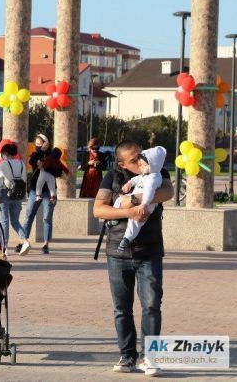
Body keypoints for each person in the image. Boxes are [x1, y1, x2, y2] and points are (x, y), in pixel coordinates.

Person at [93, 140, 173, 376]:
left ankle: (150, 357)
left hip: (150, 249)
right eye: (133, 159)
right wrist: (128, 211)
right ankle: (127, 355)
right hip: (118, 250)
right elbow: (99, 209)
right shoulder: (113, 176)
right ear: (121, 163)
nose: (139, 161)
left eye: (140, 156)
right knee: (122, 308)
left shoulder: (158, 170)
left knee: (151, 305)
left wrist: (136, 199)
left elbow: (166, 192)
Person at [113, 146, 166, 253]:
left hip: (146, 205)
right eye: (140, 164)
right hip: (136, 197)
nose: (140, 167)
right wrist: (129, 183)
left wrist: (144, 204)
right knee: (118, 201)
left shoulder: (153, 178)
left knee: (135, 221)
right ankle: (115, 218)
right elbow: (136, 179)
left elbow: (149, 191)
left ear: (153, 165)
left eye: (144, 165)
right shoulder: (145, 174)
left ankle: (126, 239)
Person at [17, 134, 61, 255]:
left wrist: (46, 168)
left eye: (40, 144)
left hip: (49, 191)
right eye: (36, 144)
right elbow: (31, 162)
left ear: (47, 143)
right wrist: (40, 151)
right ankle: (24, 241)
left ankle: (46, 243)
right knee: (29, 214)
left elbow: (59, 172)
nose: (37, 146)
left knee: (47, 217)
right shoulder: (36, 154)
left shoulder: (54, 154)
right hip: (34, 189)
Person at [0, 142, 26, 250]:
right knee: (15, 221)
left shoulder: (3, 164)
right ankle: (25, 241)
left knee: (4, 221)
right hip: (17, 194)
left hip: (5, 194)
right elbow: (24, 180)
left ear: (4, 153)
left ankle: (4, 247)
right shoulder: (21, 163)